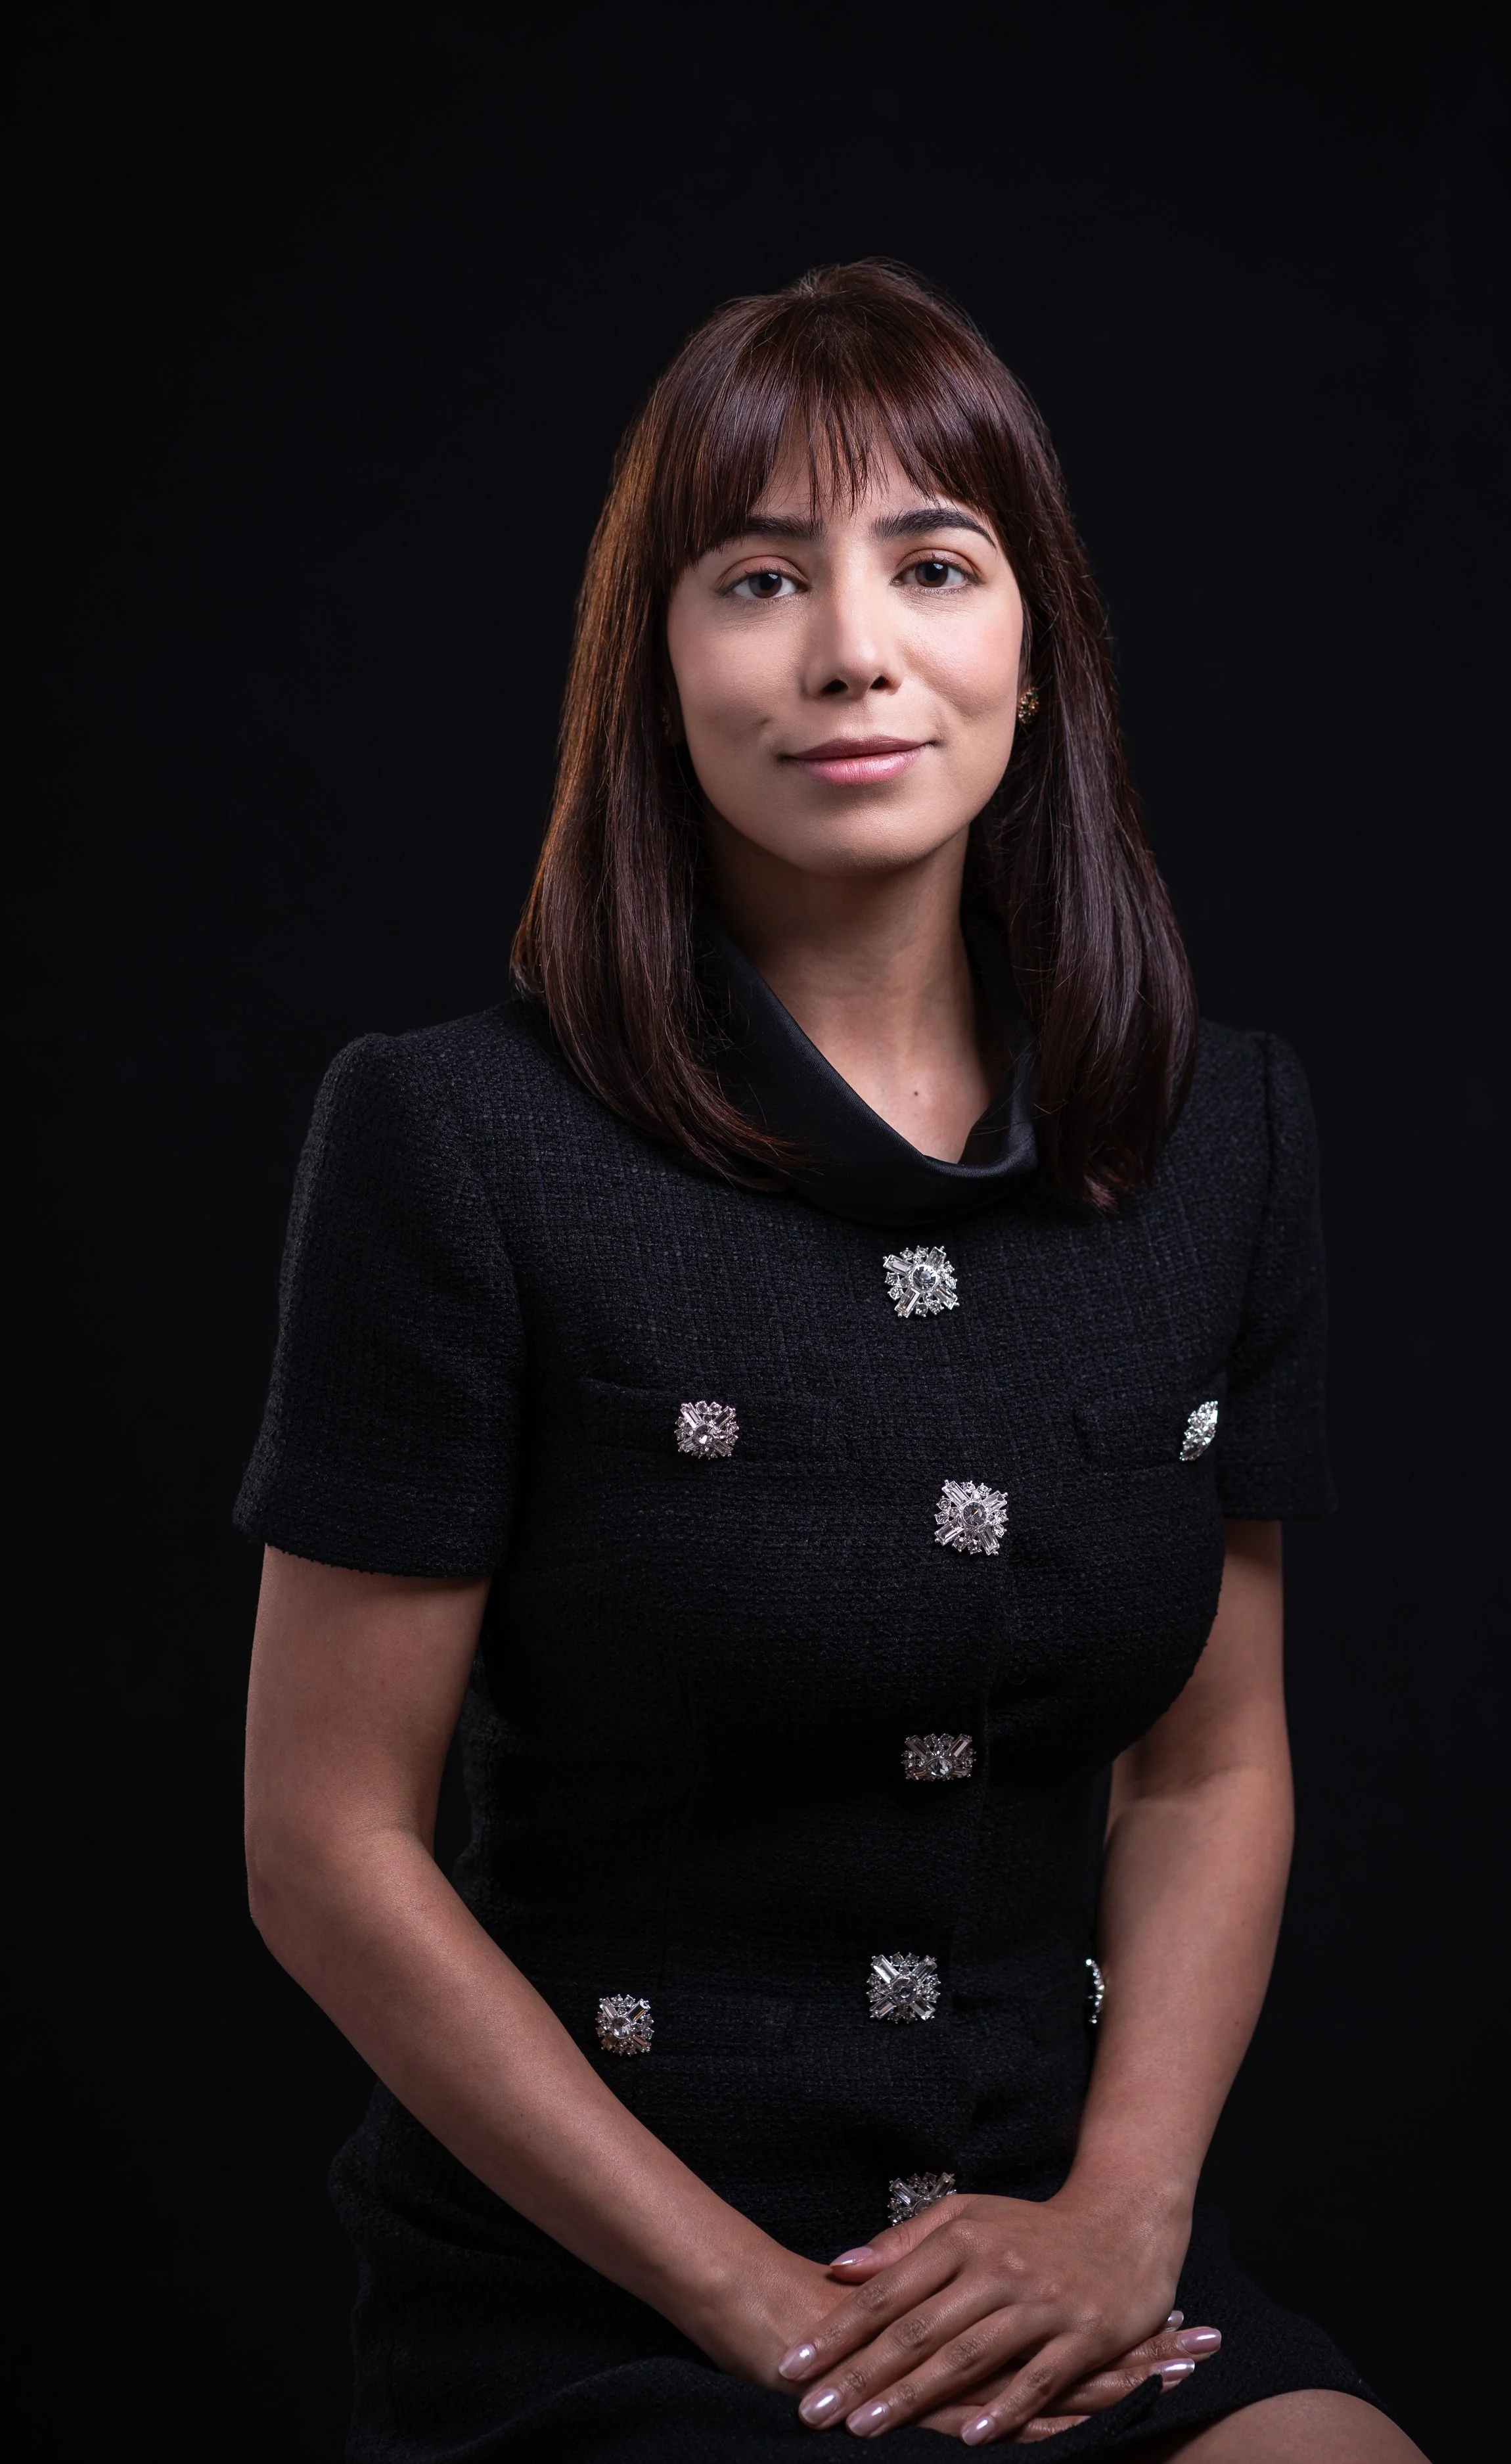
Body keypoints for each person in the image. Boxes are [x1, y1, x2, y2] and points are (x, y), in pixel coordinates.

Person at [239, 260, 1427, 2459]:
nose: (852, 650)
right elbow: (324, 1839)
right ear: (655, 667)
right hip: (607, 2271)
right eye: (759, 575)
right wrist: (774, 2314)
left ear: (1035, 651)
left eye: (934, 564)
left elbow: (1206, 1763)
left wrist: (1121, 2212)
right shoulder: (452, 1135)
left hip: (1054, 2242)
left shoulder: (1217, 1133)